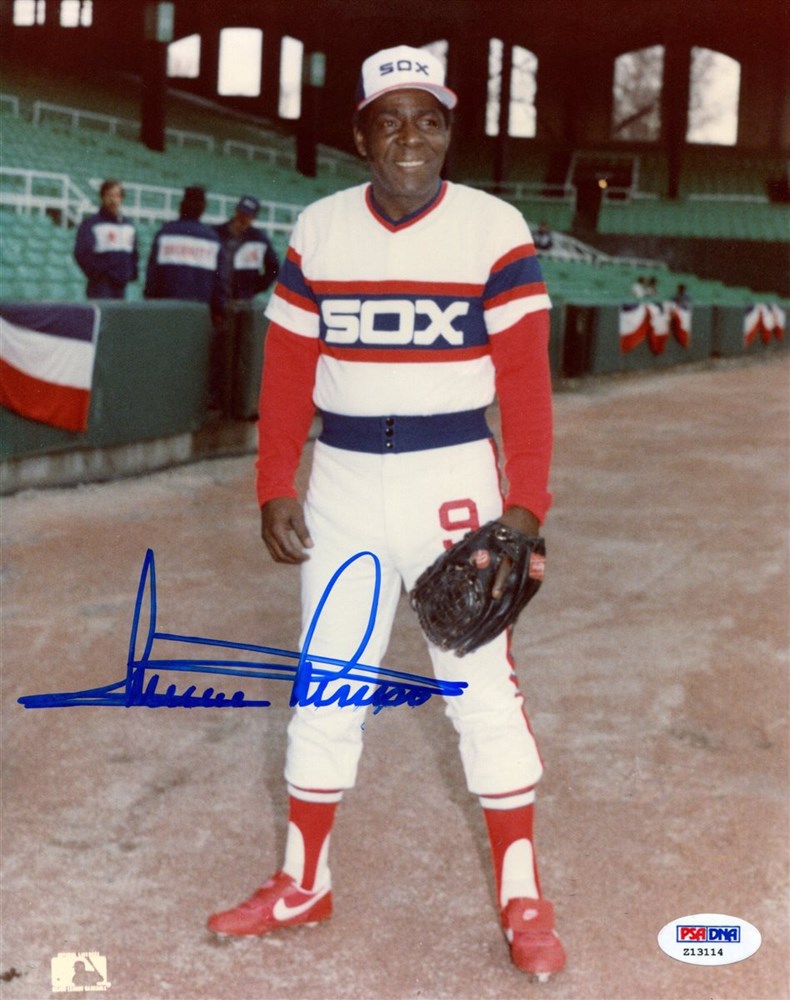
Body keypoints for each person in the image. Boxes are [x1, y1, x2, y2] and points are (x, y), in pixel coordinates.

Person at [207, 45, 566, 981]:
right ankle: (303, 879)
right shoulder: (321, 229)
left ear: (449, 129)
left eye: (431, 118)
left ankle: (522, 894)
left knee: (479, 687)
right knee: (330, 682)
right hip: (345, 480)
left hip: (455, 478)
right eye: (391, 119)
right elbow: (286, 373)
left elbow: (526, 387)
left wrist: (525, 507)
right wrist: (272, 481)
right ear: (361, 132)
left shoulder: (494, 227)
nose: (413, 137)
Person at [211, 196, 281, 414]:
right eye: (242, 213)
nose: (244, 218)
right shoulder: (216, 233)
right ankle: (215, 398)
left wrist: (254, 287)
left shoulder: (259, 239)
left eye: (248, 215)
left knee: (239, 353)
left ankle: (236, 400)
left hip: (242, 303)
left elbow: (273, 268)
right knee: (216, 350)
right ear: (236, 211)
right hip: (219, 301)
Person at [143, 185, 225, 317]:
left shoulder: (165, 233)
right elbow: (219, 283)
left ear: (181, 205)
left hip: (165, 312)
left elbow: (152, 277)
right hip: (199, 315)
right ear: (203, 208)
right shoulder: (213, 239)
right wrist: (218, 313)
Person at [74, 179, 138, 299]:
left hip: (122, 284)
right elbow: (81, 253)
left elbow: (134, 253)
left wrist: (130, 273)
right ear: (102, 197)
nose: (113, 200)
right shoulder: (91, 224)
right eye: (109, 195)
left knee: (118, 317)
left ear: (121, 198)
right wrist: (99, 274)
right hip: (100, 286)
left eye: (117, 196)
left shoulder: (129, 225)